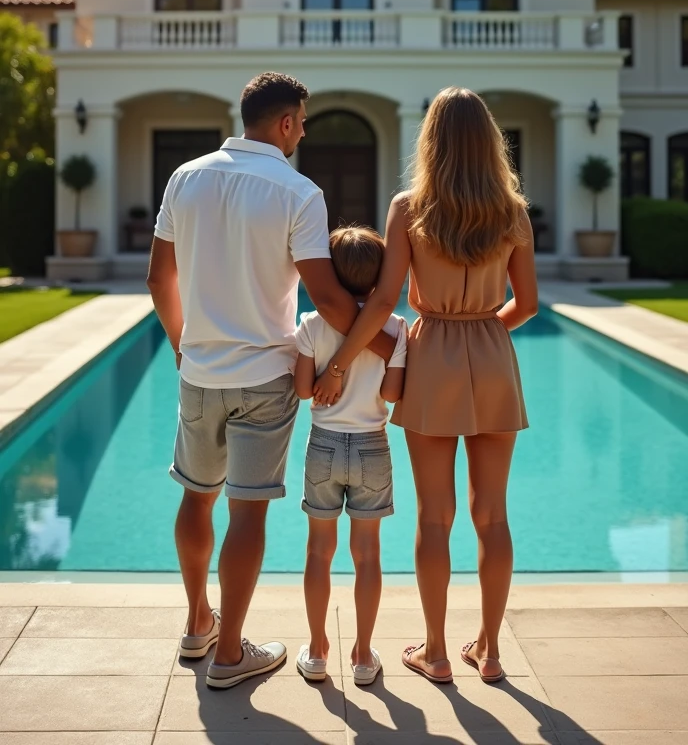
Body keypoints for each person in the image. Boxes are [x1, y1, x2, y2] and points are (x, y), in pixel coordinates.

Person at [147, 71, 395, 690]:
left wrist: (184, 348)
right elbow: (329, 298)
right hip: (264, 377)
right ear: (285, 123)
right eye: (303, 122)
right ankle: (230, 653)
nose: (304, 132)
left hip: (201, 371)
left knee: (195, 496)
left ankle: (197, 622)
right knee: (247, 514)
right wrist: (391, 342)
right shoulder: (298, 192)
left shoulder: (185, 176)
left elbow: (159, 279)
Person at [312, 87, 538, 685]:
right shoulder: (513, 212)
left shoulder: (409, 208)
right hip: (492, 353)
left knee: (433, 517)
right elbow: (530, 304)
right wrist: (484, 333)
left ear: (431, 141)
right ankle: (489, 653)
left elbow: (385, 299)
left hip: (431, 352)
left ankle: (436, 653)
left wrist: (339, 364)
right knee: (492, 516)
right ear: (490, 141)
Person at [292, 226, 408, 687]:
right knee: (368, 555)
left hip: (323, 444)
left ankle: (318, 650)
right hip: (372, 447)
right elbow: (394, 393)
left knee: (319, 553)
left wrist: (329, 373)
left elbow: (304, 391)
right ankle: (362, 656)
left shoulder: (310, 324)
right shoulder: (396, 328)